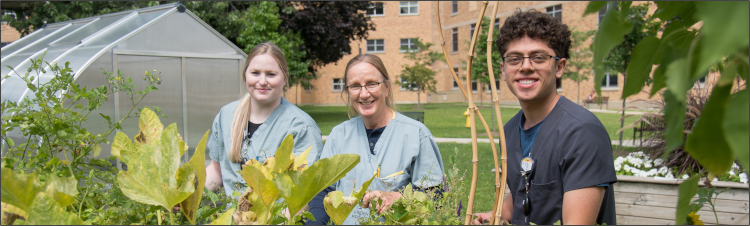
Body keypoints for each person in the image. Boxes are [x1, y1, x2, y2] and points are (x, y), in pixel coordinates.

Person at [472, 9, 617, 225]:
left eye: (539, 58)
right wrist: (493, 215)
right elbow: (525, 194)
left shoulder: (582, 133)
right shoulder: (511, 130)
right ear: (503, 70)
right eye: (514, 59)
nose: (526, 67)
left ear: (559, 67)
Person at [306, 54, 444, 225]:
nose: (364, 94)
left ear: (386, 88)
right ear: (348, 92)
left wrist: (399, 197)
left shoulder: (416, 134)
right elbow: (324, 191)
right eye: (355, 86)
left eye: (372, 84)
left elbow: (435, 195)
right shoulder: (338, 135)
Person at [204, 42, 324, 198]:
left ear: (285, 78)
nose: (262, 81)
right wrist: (187, 195)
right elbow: (217, 170)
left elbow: (304, 192)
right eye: (255, 73)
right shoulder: (226, 115)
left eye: (271, 74)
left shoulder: (301, 126)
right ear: (245, 74)